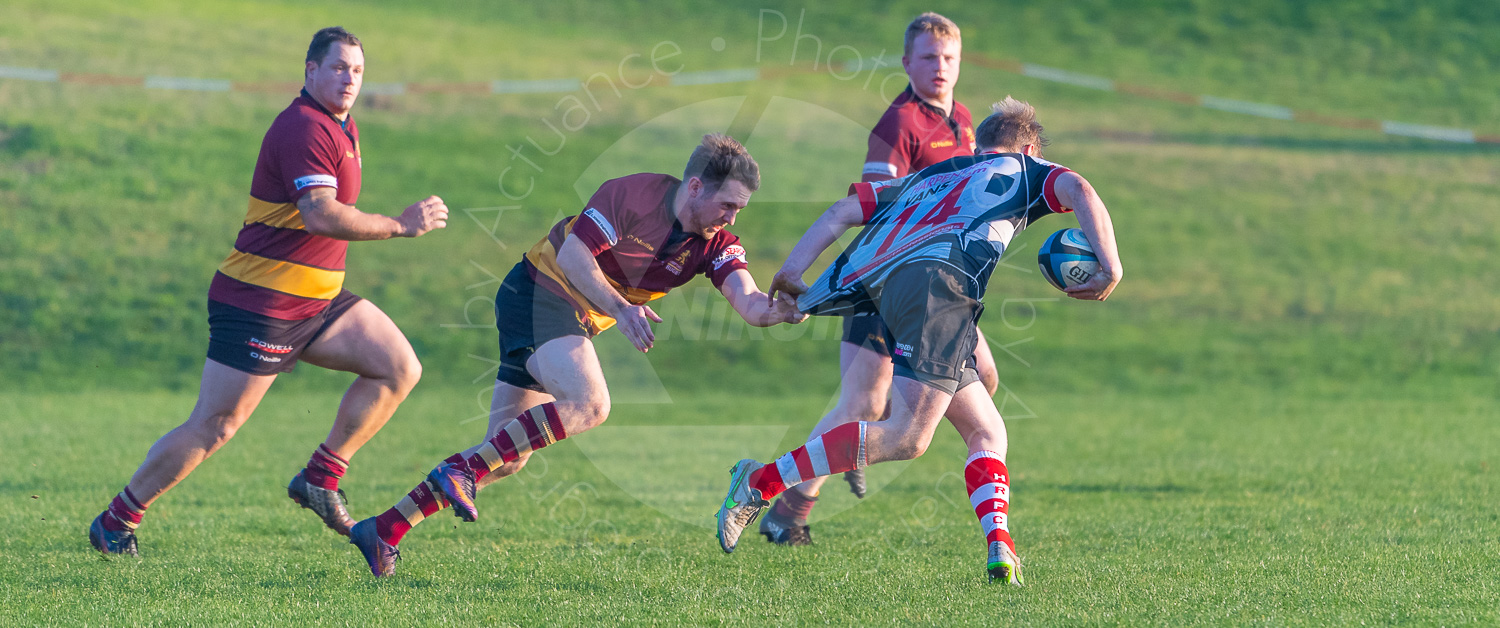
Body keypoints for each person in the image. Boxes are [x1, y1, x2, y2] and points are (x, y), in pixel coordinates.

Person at [348, 134, 806, 577]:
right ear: (695, 187)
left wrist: (784, 310)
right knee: (590, 404)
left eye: (739, 209)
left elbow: (750, 303)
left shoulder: (715, 243)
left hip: (569, 318)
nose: (731, 217)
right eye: (727, 205)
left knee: (507, 457)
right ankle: (459, 470)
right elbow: (572, 256)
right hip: (537, 293)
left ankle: (384, 529)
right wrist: (622, 310)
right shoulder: (633, 195)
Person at [716, 97, 1123, 584]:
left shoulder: (934, 175)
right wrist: (1111, 267)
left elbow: (844, 210)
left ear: (977, 145)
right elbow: (1079, 188)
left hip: (894, 291)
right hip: (943, 288)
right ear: (1030, 148)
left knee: (987, 430)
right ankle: (760, 481)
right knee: (908, 437)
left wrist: (792, 270)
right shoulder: (1026, 169)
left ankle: (1001, 547)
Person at [88, 27, 450, 556]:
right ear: (310, 70)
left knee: (399, 367)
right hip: (262, 302)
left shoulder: (342, 125)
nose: (349, 79)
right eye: (338, 68)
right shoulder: (304, 126)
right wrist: (399, 225)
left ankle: (319, 479)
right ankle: (115, 522)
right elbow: (320, 214)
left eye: (357, 70)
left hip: (317, 300)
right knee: (217, 424)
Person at [759, 11, 1001, 546]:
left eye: (949, 57)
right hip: (885, 280)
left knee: (983, 374)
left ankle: (866, 442)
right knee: (861, 404)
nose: (940, 67)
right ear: (906, 63)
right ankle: (788, 512)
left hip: (940, 288)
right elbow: (874, 209)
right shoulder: (899, 124)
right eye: (929, 57)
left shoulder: (964, 120)